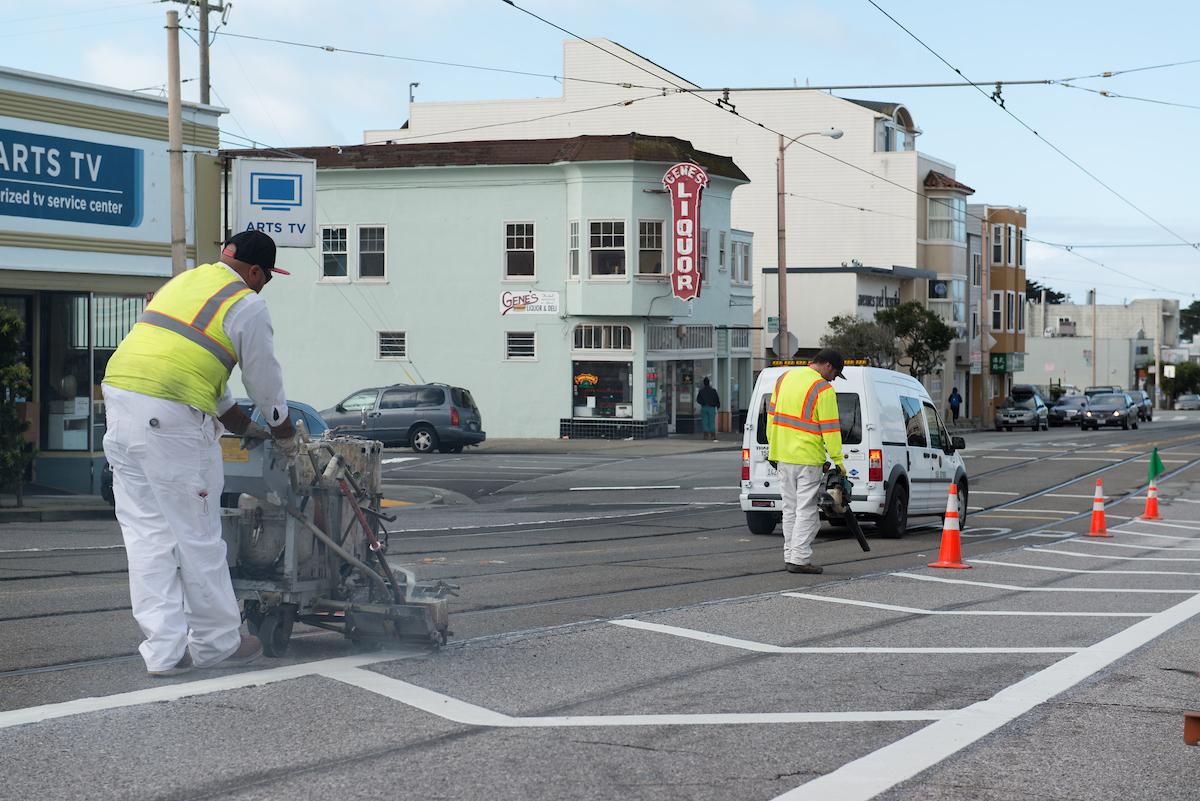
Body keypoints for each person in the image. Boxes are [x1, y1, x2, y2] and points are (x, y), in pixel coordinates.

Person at [102, 231, 298, 677]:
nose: (265, 284)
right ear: (254, 271)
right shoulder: (247, 303)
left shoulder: (184, 283)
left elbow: (193, 361)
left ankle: (165, 652)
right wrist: (282, 432)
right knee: (199, 537)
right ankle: (218, 643)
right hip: (170, 421)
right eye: (267, 276)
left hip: (120, 404)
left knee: (147, 539)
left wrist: (239, 425)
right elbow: (265, 381)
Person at [766, 349, 846, 574]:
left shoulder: (783, 379)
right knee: (807, 510)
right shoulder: (823, 388)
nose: (833, 379)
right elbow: (830, 427)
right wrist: (838, 460)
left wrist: (773, 450)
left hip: (782, 455)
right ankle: (800, 559)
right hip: (807, 458)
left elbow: (771, 417)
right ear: (828, 366)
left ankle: (790, 555)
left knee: (790, 509)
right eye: (835, 374)